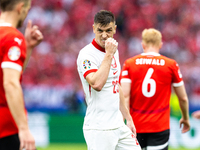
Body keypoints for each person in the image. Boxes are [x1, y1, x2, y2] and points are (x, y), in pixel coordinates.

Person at [77, 10, 141, 150]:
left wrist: (128, 119)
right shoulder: (87, 55)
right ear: (93, 28)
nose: (104, 35)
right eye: (100, 30)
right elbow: (97, 84)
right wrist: (108, 54)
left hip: (118, 125)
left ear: (115, 29)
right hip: (99, 128)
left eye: (108, 30)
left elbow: (115, 85)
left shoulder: (113, 50)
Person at [120, 28, 190, 150]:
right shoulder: (171, 65)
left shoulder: (129, 64)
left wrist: (122, 121)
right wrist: (185, 118)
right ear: (160, 45)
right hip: (159, 127)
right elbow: (183, 98)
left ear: (143, 45)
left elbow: (124, 96)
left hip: (136, 125)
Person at [0, 0, 43, 150]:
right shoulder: (12, 38)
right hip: (6, 128)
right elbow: (10, 83)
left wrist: (28, 46)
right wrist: (23, 128)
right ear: (20, 8)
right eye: (27, 10)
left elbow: (7, 75)